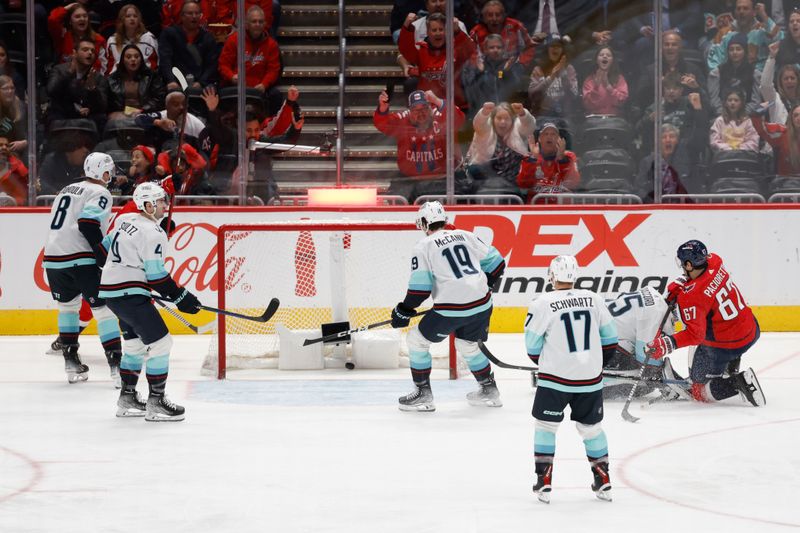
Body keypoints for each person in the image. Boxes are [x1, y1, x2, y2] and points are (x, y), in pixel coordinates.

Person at [391, 201, 506, 412]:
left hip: (452, 309)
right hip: (482, 304)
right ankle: (489, 389)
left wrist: (403, 310)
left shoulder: (423, 246)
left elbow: (420, 290)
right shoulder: (466, 235)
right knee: (468, 345)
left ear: (424, 223)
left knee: (416, 341)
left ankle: (423, 393)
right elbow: (498, 263)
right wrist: (485, 283)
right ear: (445, 220)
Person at [99, 182, 201, 421]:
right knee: (162, 344)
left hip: (113, 295)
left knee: (135, 346)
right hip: (130, 295)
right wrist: (182, 298)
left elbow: (102, 251)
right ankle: (156, 401)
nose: (166, 205)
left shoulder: (125, 221)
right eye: (161, 201)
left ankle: (127, 397)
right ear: (148, 204)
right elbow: (156, 275)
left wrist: (127, 272)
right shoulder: (153, 232)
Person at [524, 255, 618, 503]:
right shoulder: (595, 299)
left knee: (545, 427)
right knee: (592, 429)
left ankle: (544, 480)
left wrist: (549, 364)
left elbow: (532, 347)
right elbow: (610, 340)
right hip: (589, 380)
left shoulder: (542, 303)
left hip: (554, 379)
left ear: (552, 276)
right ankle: (604, 480)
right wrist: (592, 367)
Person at [644, 240, 765, 407]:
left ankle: (738, 383)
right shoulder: (715, 260)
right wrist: (683, 283)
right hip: (751, 328)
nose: (681, 267)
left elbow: (695, 334)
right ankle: (730, 365)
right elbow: (704, 283)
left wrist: (667, 343)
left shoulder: (692, 297)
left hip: (728, 344)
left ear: (688, 264)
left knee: (698, 391)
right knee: (713, 325)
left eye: (683, 263)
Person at [42, 152, 122, 386]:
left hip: (54, 258)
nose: (111, 175)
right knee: (103, 310)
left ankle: (71, 362)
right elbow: (88, 223)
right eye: (109, 170)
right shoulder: (100, 192)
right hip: (81, 258)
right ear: (102, 172)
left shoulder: (66, 190)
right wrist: (102, 257)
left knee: (67, 308)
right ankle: (117, 367)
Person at [373, 89, 467, 201]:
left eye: (424, 108)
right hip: (409, 179)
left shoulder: (439, 115)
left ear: (430, 107)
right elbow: (382, 124)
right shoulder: (403, 119)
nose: (421, 113)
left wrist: (437, 101)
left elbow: (459, 119)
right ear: (409, 111)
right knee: (396, 201)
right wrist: (382, 110)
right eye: (415, 110)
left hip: (441, 179)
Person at [218, 6, 282, 116]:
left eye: (260, 21)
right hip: (236, 87)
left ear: (265, 24)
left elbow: (273, 70)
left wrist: (264, 84)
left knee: (276, 94)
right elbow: (223, 65)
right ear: (247, 24)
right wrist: (231, 76)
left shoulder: (272, 44)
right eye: (254, 21)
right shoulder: (234, 39)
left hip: (260, 88)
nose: (257, 24)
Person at [159, 0, 220, 90]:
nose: (194, 16)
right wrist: (171, 80)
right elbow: (165, 60)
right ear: (182, 16)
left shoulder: (208, 38)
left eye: (197, 13)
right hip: (175, 82)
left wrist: (201, 83)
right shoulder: (169, 34)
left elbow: (211, 66)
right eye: (190, 13)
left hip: (200, 84)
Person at [516, 122, 579, 202]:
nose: (549, 137)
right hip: (536, 209)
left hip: (563, 209)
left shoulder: (569, 157)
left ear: (558, 139)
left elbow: (574, 183)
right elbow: (523, 183)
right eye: (546, 134)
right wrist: (534, 159)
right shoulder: (529, 158)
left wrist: (562, 160)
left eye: (553, 134)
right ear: (539, 138)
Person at [107, 44, 166, 120]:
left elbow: (159, 98)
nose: (133, 59)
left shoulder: (152, 76)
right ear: (122, 60)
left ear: (141, 59)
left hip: (146, 113)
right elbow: (108, 103)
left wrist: (143, 110)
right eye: (128, 57)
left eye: (136, 57)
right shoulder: (112, 79)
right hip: (121, 114)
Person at [105, 4, 159, 75]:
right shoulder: (112, 40)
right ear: (122, 19)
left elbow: (154, 65)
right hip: (118, 80)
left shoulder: (149, 38)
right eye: (128, 16)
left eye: (135, 16)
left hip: (145, 79)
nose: (132, 18)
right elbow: (110, 66)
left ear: (139, 19)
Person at [581, 46, 628, 117]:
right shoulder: (589, 80)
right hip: (594, 119)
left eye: (608, 55)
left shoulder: (619, 78)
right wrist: (596, 87)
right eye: (601, 55)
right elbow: (588, 105)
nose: (605, 56)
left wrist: (609, 87)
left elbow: (622, 101)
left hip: (615, 119)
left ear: (612, 60)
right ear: (596, 60)